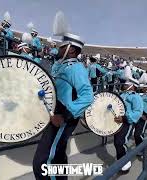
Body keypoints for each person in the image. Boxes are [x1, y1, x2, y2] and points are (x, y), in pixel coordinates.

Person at [33, 32, 93, 180]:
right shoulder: (61, 66)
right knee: (58, 157)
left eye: (62, 47)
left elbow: (87, 96)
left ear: (71, 50)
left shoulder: (76, 68)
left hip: (63, 116)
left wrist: (65, 115)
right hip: (56, 114)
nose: (58, 50)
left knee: (44, 161)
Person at [113, 66, 143, 172]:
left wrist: (125, 118)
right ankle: (120, 160)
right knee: (117, 142)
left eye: (126, 83)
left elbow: (138, 112)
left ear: (132, 86)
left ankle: (125, 161)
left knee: (121, 142)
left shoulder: (136, 97)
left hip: (127, 122)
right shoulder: (122, 94)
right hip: (119, 121)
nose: (124, 85)